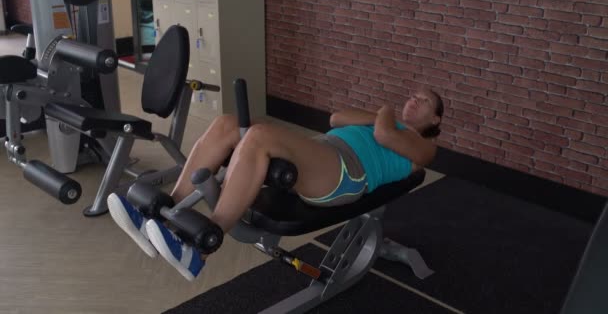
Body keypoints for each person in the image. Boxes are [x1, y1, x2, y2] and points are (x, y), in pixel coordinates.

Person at [107, 87, 445, 281]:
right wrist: (383, 116)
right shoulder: (387, 123)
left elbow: (384, 133)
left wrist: (387, 112)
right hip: (322, 153)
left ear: (435, 119)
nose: (414, 100)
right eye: (413, 95)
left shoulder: (423, 145)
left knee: (259, 136)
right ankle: (165, 214)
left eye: (424, 101)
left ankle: (199, 249)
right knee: (228, 124)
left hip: (347, 174)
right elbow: (336, 119)